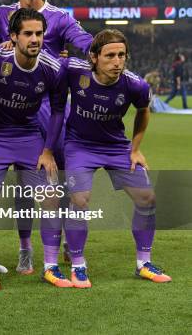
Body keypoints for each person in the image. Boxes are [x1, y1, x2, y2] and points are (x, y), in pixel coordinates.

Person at [0, 0, 93, 273]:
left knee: (56, 179)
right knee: (22, 180)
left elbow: (83, 41)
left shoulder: (60, 17)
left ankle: (58, 241)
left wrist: (98, 49)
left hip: (50, 106)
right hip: (12, 107)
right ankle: (24, 248)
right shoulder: (0, 15)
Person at [60, 29, 172, 288]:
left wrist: (135, 148)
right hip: (79, 145)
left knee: (147, 198)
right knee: (80, 199)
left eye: (122, 55)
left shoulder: (136, 84)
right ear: (94, 57)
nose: (117, 61)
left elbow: (143, 111)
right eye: (110, 55)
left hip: (115, 146)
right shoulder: (76, 71)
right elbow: (47, 59)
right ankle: (78, 265)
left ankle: (143, 263)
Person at [0, 8, 65, 291]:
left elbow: (58, 110)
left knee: (50, 197)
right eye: (28, 34)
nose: (35, 39)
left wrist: (47, 150)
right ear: (13, 36)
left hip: (28, 137)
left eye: (39, 33)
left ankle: (50, 265)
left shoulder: (52, 68)